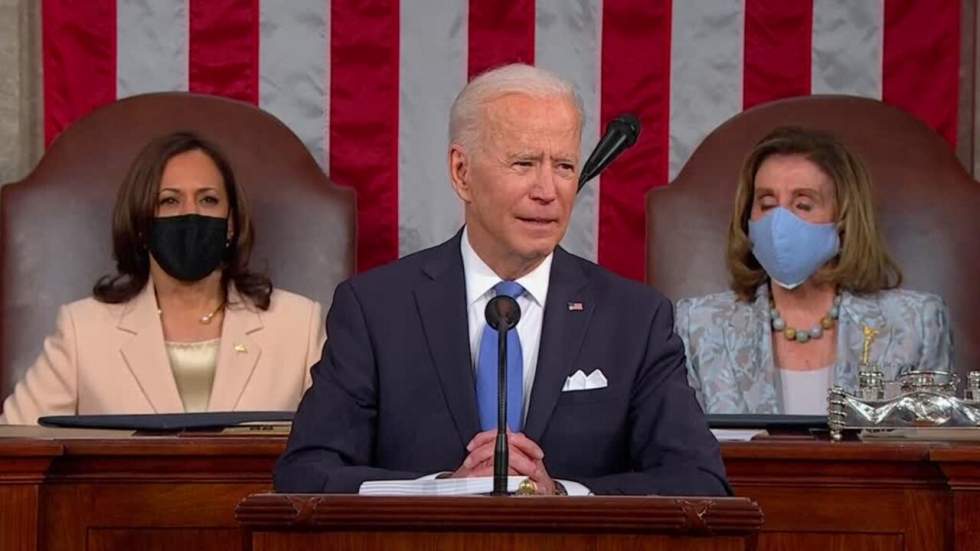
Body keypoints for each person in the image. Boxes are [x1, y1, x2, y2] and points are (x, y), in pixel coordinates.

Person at [275, 64, 728, 496]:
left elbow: (699, 479)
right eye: (524, 163)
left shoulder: (635, 319)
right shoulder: (375, 309)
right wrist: (437, 491)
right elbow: (307, 474)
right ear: (462, 172)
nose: (548, 191)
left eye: (565, 167)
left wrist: (563, 495)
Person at [0, 131, 325, 425]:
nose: (190, 214)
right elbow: (15, 450)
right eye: (169, 201)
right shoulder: (81, 330)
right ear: (141, 225)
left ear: (231, 224)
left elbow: (338, 447)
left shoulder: (298, 324)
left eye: (208, 199)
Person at [676, 127, 953, 415]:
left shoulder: (917, 326)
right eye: (767, 203)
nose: (779, 222)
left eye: (803, 204)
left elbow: (929, 449)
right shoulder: (698, 326)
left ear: (844, 219)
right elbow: (681, 451)